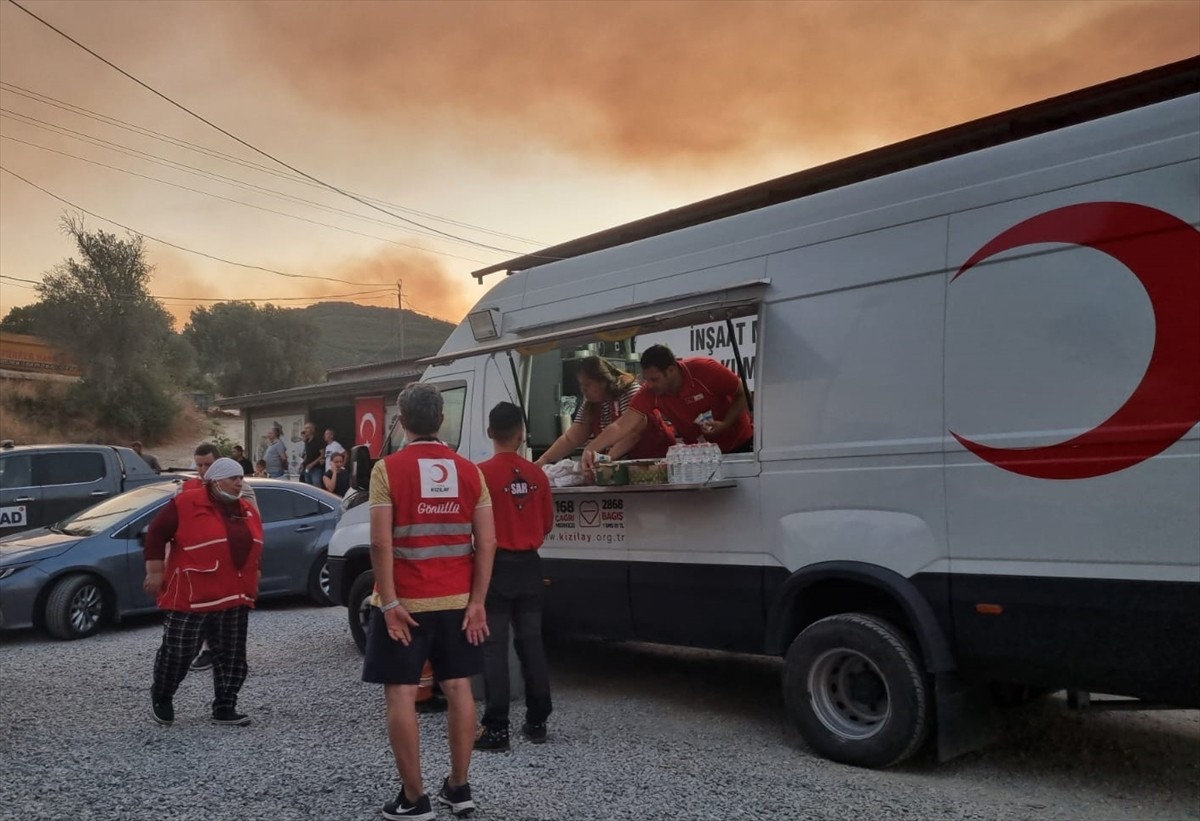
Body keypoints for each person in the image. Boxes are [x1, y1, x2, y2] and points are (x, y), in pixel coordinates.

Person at [363, 382, 496, 820]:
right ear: (442, 419)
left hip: (404, 604)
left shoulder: (387, 470)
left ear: (401, 421)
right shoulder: (470, 471)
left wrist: (388, 603)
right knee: (459, 687)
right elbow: (487, 542)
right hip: (458, 601)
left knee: (402, 694)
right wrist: (477, 602)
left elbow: (380, 542)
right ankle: (459, 787)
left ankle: (414, 798)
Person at [143, 457, 264, 727]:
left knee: (232, 655)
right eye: (233, 478)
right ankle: (162, 695)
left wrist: (255, 577)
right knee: (180, 651)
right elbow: (156, 532)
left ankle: (225, 706)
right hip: (192, 594)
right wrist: (155, 571)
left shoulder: (246, 510)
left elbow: (255, 548)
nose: (239, 483)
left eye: (241, 478)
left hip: (233, 595)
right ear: (215, 480)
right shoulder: (186, 503)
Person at [475, 402, 555, 752]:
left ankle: (497, 728)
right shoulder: (538, 475)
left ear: (489, 432)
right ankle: (537, 721)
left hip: (495, 566)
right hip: (530, 566)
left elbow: (472, 525)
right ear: (521, 434)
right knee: (531, 642)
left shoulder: (480, 474)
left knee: (494, 647)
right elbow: (547, 524)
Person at [583, 344, 754, 471]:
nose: (649, 385)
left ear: (671, 370)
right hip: (702, 459)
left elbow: (743, 394)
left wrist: (725, 424)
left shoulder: (704, 369)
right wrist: (590, 450)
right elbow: (622, 425)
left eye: (654, 379)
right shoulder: (650, 392)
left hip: (741, 447)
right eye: (646, 379)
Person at [184, 443, 260, 673]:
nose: (203, 470)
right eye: (199, 465)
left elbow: (253, 521)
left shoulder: (240, 488)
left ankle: (221, 654)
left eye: (207, 465)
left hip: (232, 558)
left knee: (228, 610)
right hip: (203, 559)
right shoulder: (191, 488)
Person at [534, 356, 673, 468]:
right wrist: (543, 460)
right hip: (623, 468)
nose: (583, 390)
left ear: (604, 381)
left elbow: (634, 432)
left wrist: (606, 459)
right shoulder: (590, 404)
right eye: (581, 385)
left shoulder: (631, 391)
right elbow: (570, 438)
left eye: (587, 384)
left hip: (657, 462)